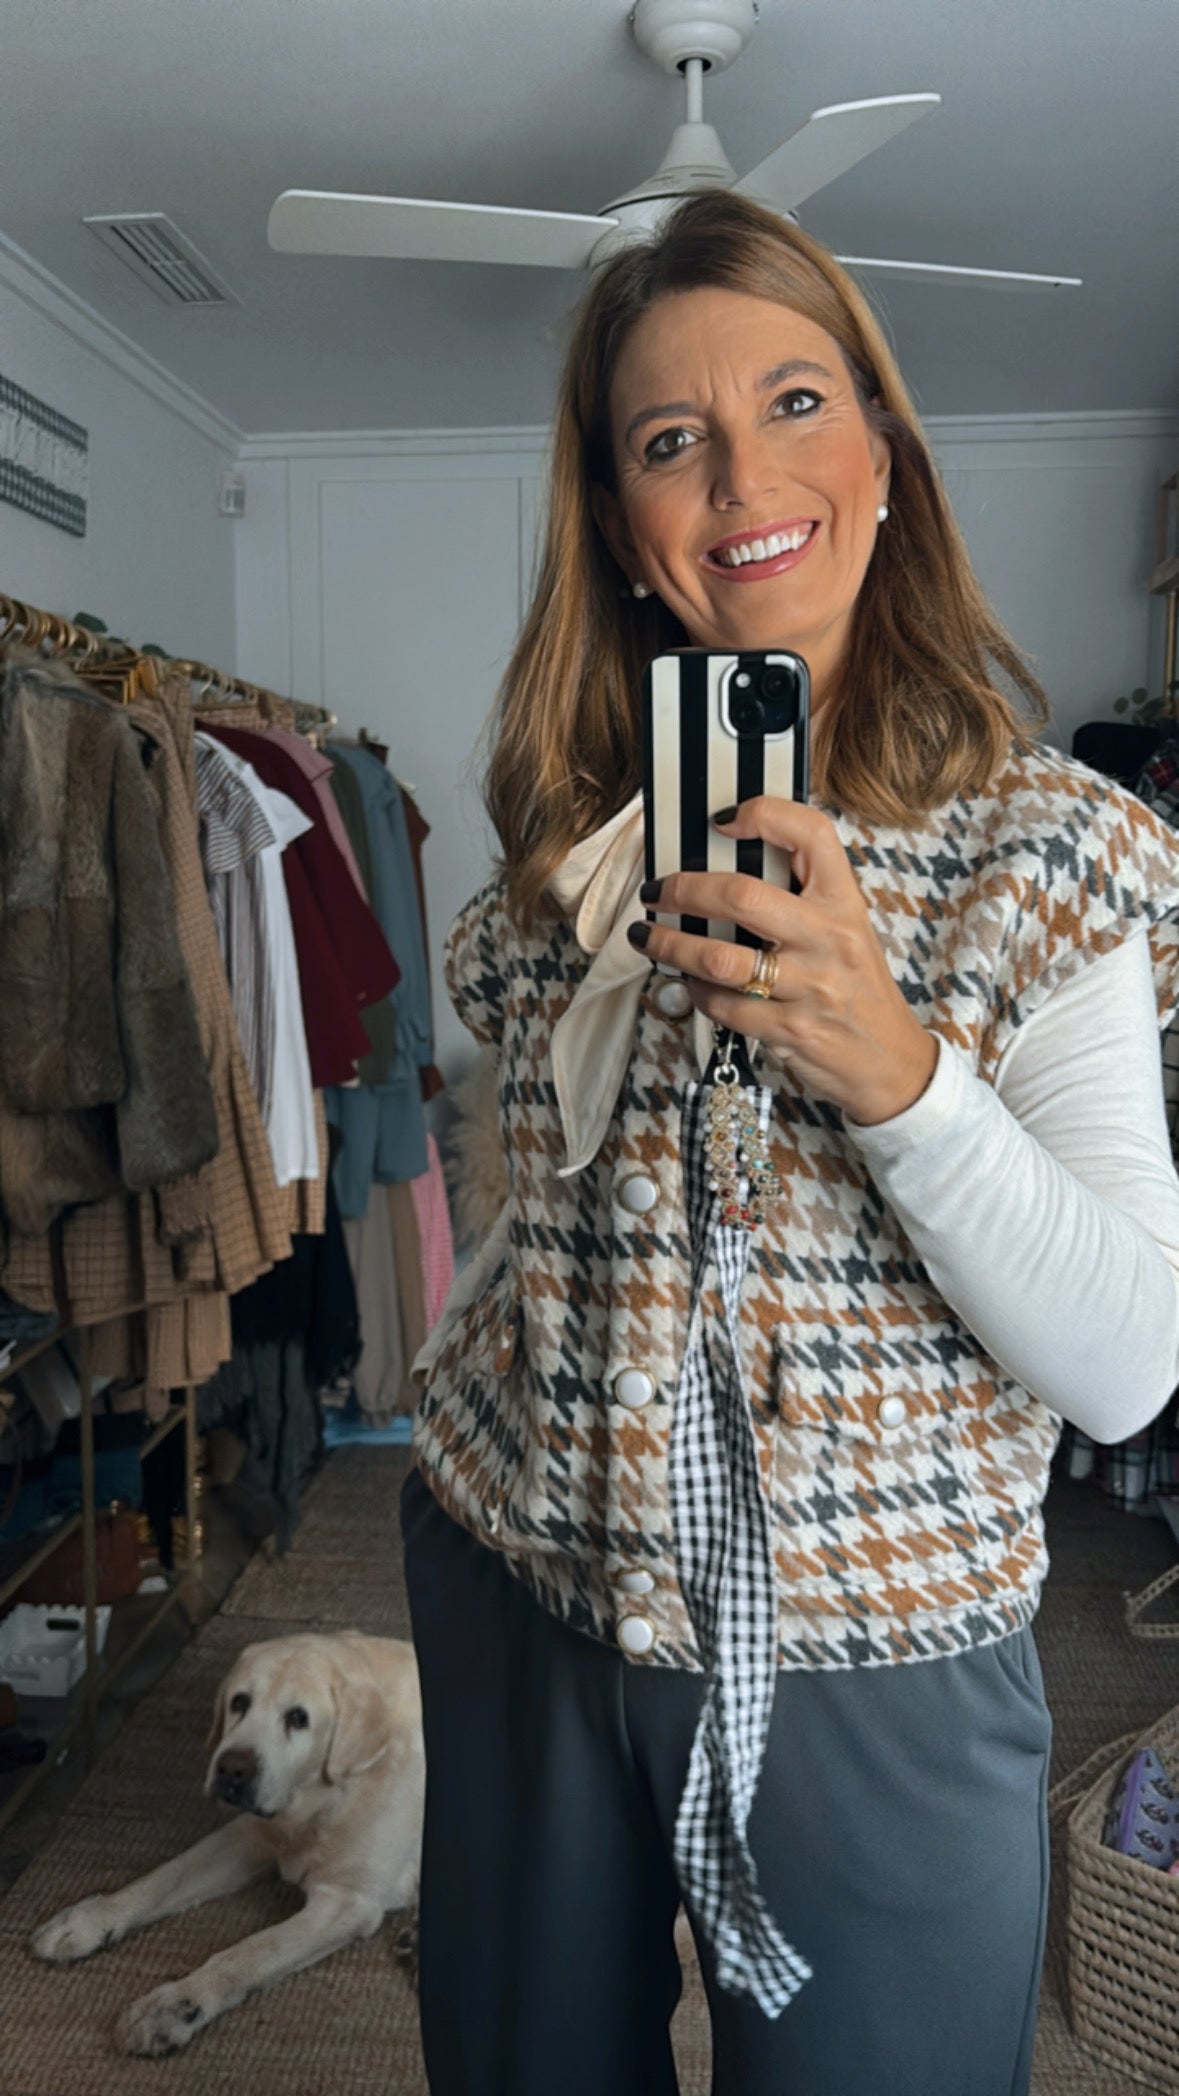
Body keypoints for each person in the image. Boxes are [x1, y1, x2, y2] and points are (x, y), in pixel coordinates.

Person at [401, 188, 1179, 2096]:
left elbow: (1130, 1365)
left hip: (876, 1662)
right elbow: (543, 1210)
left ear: (887, 461)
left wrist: (899, 1071)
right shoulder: (561, 869)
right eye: (672, 439)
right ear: (623, 527)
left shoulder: (1053, 857)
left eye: (798, 402)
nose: (745, 476)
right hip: (523, 1591)